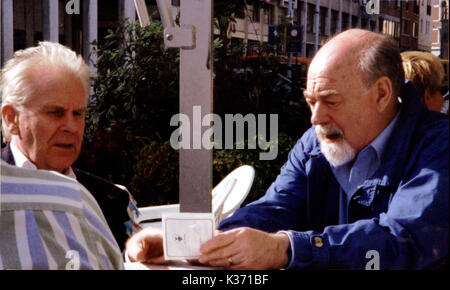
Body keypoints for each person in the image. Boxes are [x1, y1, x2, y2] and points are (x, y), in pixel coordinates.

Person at [125, 29, 449, 270]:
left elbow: (403, 240)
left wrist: (287, 248)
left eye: (330, 102)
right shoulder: (315, 142)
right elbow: (276, 208)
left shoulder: (440, 145)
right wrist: (196, 244)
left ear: (381, 94)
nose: (315, 117)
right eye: (310, 101)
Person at [0, 41, 140, 251]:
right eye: (55, 113)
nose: (71, 127)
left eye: (78, 114)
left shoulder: (112, 201)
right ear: (12, 118)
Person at [0, 160, 124, 269]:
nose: (72, 131)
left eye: (82, 130)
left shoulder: (107, 196)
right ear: (14, 131)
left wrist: (132, 256)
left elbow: (118, 258)